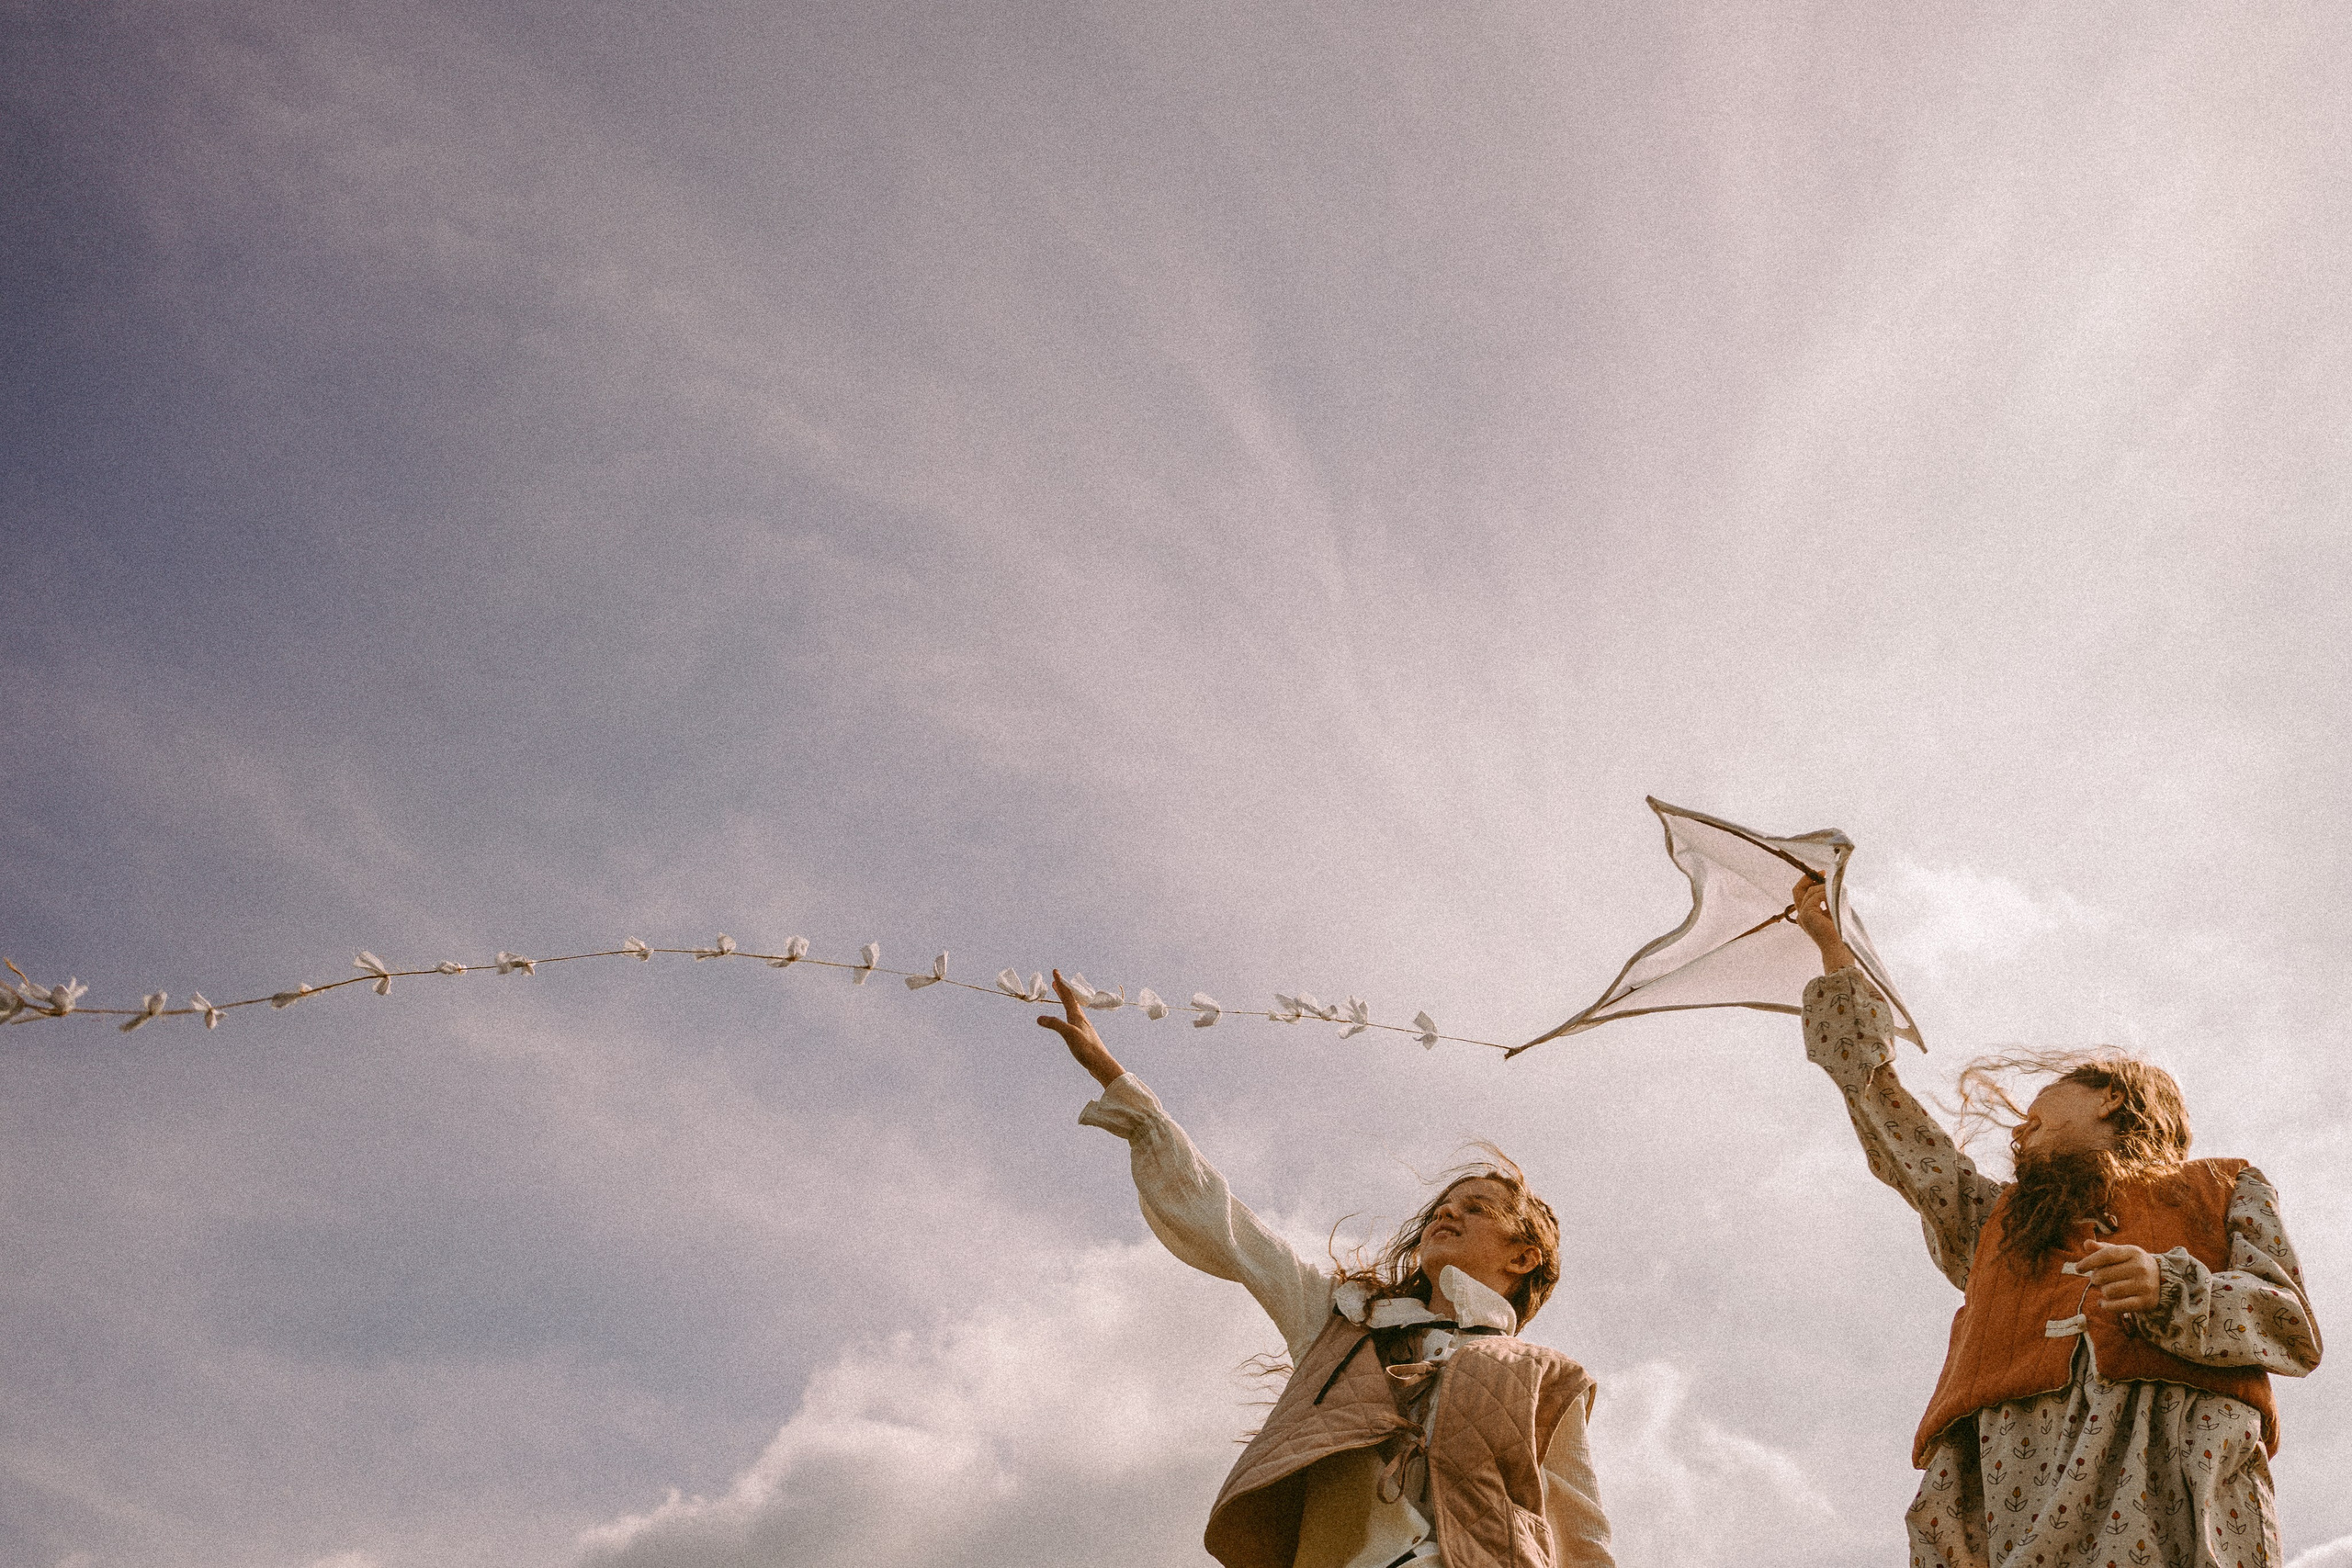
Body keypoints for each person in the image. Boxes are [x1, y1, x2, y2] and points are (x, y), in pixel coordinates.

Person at [1789, 874, 2322, 1568]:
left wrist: (2170, 1287)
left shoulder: (2225, 1188)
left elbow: (2290, 1328)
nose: (2020, 1121)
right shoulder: (1995, 1221)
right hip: (2006, 1499)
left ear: (2109, 1098)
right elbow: (1892, 1124)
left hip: (2169, 1495)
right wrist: (1836, 957)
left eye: (2043, 1100)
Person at [1036, 972, 1615, 1568]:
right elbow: (1234, 1231)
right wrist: (1118, 1080)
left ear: (1523, 1256)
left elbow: (1582, 1533)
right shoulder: (1347, 1321)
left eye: (1477, 1206)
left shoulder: (1547, 1377)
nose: (1447, 1210)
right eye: (1445, 1203)